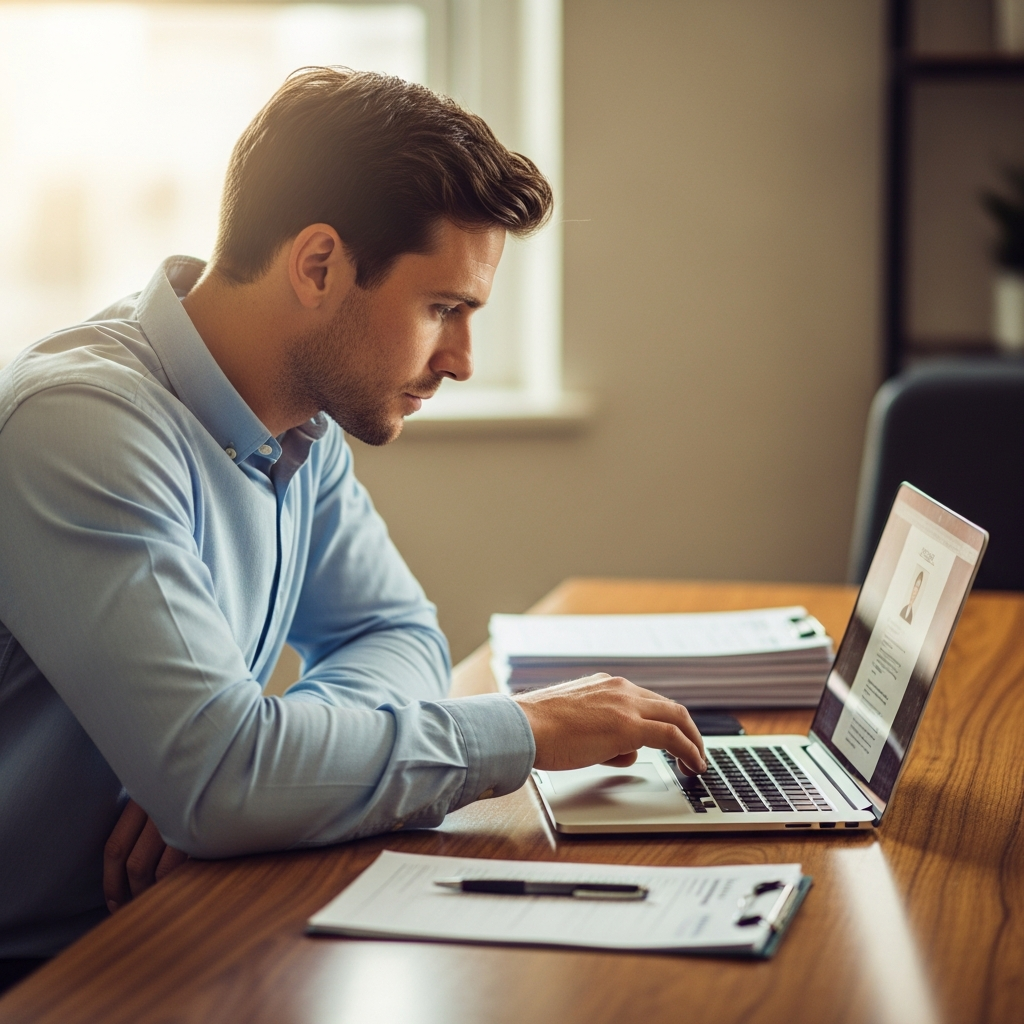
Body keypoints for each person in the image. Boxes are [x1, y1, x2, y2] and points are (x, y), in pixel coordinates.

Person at [0, 68, 706, 978]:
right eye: (443, 309)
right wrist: (525, 731)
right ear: (319, 265)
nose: (460, 361)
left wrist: (270, 770)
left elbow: (393, 632)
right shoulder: (80, 427)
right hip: (44, 973)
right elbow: (224, 785)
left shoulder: (299, 422)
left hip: (174, 923)